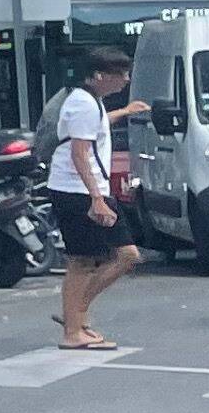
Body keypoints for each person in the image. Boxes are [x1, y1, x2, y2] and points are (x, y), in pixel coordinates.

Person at [50, 45, 141, 351]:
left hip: (82, 189)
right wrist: (96, 198)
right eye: (121, 74)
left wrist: (125, 113)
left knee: (88, 259)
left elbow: (95, 127)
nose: (126, 80)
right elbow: (79, 153)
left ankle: (75, 320)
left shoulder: (90, 101)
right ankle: (73, 323)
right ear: (100, 76)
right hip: (78, 191)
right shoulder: (85, 104)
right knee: (108, 257)